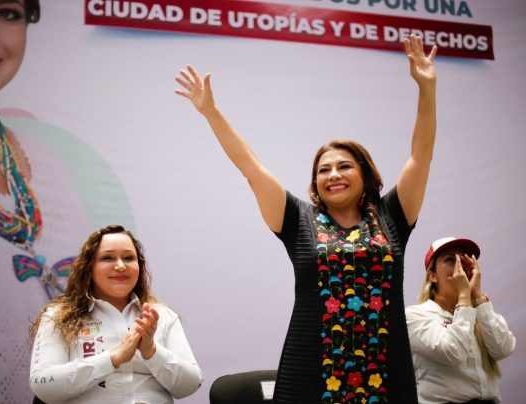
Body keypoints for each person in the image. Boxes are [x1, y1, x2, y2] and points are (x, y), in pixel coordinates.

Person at [175, 35, 437, 403]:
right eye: (323, 169)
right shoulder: (298, 219)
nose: (333, 174)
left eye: (344, 166)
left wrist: (427, 87)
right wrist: (211, 112)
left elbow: (420, 156)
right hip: (310, 373)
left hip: (385, 373)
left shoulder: (393, 215)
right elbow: (251, 167)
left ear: (364, 173)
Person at [29, 224, 203, 403]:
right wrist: (113, 358)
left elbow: (189, 386)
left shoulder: (161, 315)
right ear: (89, 268)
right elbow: (43, 386)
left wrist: (151, 351)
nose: (120, 266)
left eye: (128, 258)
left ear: (139, 266)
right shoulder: (59, 316)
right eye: (108, 258)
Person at [405, 237, 515, 404]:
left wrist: (477, 296)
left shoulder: (478, 311)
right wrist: (464, 296)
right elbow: (452, 352)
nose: (460, 265)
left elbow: (504, 349)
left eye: (464, 258)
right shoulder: (415, 315)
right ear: (433, 276)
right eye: (450, 259)